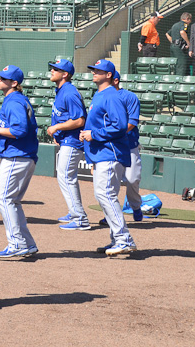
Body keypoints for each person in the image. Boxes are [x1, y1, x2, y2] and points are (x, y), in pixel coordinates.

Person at [80, 59, 137, 256]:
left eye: (98, 70)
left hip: (111, 153)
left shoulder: (111, 96)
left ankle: (123, 239)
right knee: (104, 195)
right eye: (93, 69)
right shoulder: (101, 94)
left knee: (106, 195)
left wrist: (93, 134)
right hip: (103, 154)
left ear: (109, 75)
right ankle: (116, 239)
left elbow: (120, 125)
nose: (94, 72)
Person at [0, 65, 39, 259]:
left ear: (14, 83)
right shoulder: (13, 99)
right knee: (12, 201)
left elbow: (19, 130)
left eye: (4, 78)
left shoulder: (15, 101)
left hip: (17, 156)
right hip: (21, 156)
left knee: (3, 199)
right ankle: (27, 243)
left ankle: (17, 243)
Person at [48, 58, 89, 231]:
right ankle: (74, 213)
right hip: (67, 139)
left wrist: (57, 127)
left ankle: (80, 218)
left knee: (66, 177)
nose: (52, 71)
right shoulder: (61, 90)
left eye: (55, 69)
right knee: (66, 177)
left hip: (73, 141)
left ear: (65, 74)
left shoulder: (69, 92)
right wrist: (59, 132)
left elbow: (80, 120)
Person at [113, 71, 143, 223]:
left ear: (116, 80)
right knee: (111, 183)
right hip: (111, 147)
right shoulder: (101, 97)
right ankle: (112, 215)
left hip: (130, 145)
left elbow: (132, 122)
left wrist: (114, 133)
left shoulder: (129, 97)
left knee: (132, 179)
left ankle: (136, 207)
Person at [166, 12, 192, 77]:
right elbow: (182, 32)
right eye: (190, 20)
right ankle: (179, 80)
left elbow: (167, 34)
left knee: (174, 63)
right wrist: (188, 43)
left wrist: (172, 41)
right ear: (187, 19)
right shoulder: (184, 25)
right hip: (179, 47)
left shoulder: (175, 25)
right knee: (181, 64)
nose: (190, 22)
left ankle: (174, 78)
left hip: (173, 46)